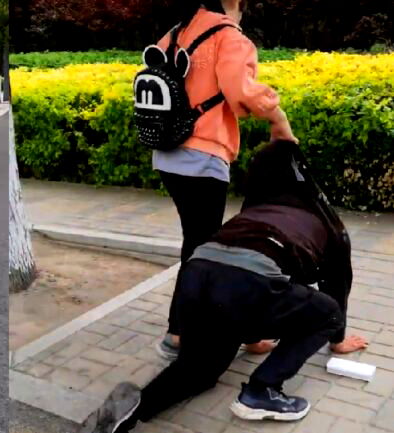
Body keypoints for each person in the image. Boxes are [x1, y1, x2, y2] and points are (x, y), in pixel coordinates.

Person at [79, 140, 369, 433]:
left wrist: (252, 338)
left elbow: (245, 271)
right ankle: (262, 390)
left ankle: (130, 413)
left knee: (198, 371)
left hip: (195, 276)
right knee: (328, 313)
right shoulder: (324, 221)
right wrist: (337, 338)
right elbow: (337, 286)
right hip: (246, 286)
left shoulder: (251, 211)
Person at [152, 0, 298, 360]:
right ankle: (181, 335)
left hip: (167, 153)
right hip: (202, 156)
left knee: (200, 246)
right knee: (206, 252)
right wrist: (279, 120)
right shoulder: (228, 36)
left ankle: (230, 333)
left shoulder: (175, 34)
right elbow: (241, 92)